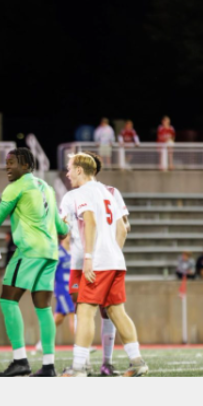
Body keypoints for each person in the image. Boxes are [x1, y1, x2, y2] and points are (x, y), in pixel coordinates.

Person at [0, 147, 68, 377]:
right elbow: (62, 228)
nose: (8, 166)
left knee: (8, 301)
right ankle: (48, 365)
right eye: (7, 162)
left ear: (26, 165)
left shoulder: (16, 187)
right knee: (43, 307)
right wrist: (64, 227)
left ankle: (20, 360)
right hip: (50, 253)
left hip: (28, 251)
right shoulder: (46, 187)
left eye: (12, 162)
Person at [63, 152, 148, 377]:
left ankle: (80, 367)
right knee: (116, 311)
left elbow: (89, 221)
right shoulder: (108, 192)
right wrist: (112, 255)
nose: (67, 172)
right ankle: (137, 361)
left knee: (85, 311)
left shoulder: (80, 193)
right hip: (115, 260)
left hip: (98, 261)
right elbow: (122, 229)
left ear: (80, 170)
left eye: (70, 168)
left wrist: (90, 257)